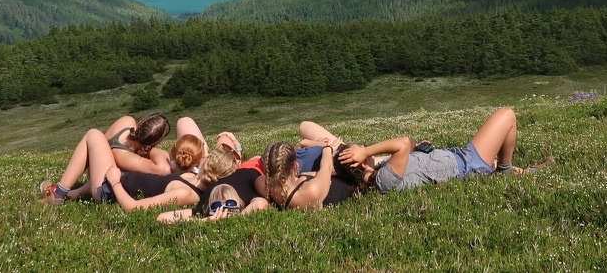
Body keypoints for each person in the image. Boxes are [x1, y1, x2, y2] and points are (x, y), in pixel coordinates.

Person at [339, 107, 551, 193]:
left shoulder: (381, 169)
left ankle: (514, 170)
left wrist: (420, 149)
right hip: (468, 164)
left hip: (460, 157)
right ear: (358, 162)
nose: (364, 150)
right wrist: (366, 150)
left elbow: (408, 145)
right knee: (507, 115)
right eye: (359, 151)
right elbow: (402, 143)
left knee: (502, 127)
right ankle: (504, 170)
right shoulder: (382, 180)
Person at [40, 113, 172, 203]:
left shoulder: (127, 121)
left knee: (95, 136)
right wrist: (152, 149)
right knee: (94, 134)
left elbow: (100, 149)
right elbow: (163, 169)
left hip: (96, 171)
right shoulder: (130, 158)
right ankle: (58, 194)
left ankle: (67, 192)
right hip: (102, 186)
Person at [102, 145, 235, 213]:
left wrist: (115, 182)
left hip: (109, 190)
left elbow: (133, 208)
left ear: (207, 162)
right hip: (122, 176)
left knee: (94, 135)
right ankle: (80, 191)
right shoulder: (194, 177)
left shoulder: (187, 194)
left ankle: (83, 191)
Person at [261, 142, 365, 210]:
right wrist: (328, 148)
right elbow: (326, 167)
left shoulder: (268, 186)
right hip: (349, 182)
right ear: (294, 165)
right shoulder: (310, 191)